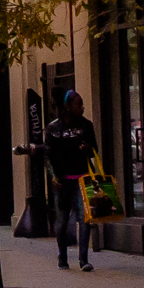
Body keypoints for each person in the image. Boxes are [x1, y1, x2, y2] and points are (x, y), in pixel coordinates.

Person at [44, 90, 99, 271]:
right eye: (78, 104)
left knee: (84, 219)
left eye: (82, 103)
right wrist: (52, 176)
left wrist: (87, 148)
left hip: (82, 179)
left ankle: (83, 259)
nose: (82, 107)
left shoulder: (86, 126)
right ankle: (62, 256)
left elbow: (94, 151)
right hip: (63, 181)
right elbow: (48, 155)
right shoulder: (53, 128)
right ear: (68, 107)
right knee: (62, 220)